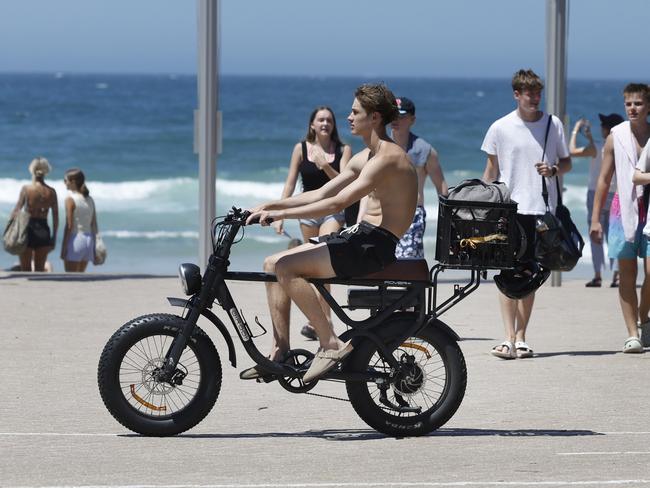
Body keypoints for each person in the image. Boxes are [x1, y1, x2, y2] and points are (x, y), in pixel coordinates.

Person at [243, 83, 417, 383]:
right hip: (359, 237)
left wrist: (280, 215)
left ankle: (330, 342)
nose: (348, 117)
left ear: (374, 117)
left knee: (287, 267)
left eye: (355, 112)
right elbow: (321, 191)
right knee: (272, 264)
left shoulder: (388, 157)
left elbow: (337, 203)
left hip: (374, 246)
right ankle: (280, 351)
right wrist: (269, 204)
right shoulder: (365, 156)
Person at [481, 69, 571, 359]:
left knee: (532, 273)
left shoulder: (552, 124)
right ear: (516, 94)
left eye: (537, 93)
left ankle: (521, 337)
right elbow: (491, 170)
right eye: (528, 93)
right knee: (507, 272)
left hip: (541, 209)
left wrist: (554, 170)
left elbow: (566, 162)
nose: (534, 98)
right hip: (510, 208)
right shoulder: (500, 127)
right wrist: (483, 203)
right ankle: (507, 337)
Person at [272, 106, 353, 341]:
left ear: (334, 125)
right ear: (312, 125)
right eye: (321, 120)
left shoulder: (343, 150)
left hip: (332, 211)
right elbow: (290, 184)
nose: (325, 123)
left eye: (329, 120)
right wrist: (281, 214)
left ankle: (325, 321)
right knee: (311, 269)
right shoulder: (301, 148)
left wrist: (324, 165)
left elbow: (345, 183)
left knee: (322, 256)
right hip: (308, 212)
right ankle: (316, 320)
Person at [595, 83, 650, 353]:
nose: (632, 108)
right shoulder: (615, 136)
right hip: (621, 209)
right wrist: (595, 219)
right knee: (627, 274)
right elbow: (604, 180)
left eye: (638, 103)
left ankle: (644, 317)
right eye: (628, 103)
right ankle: (633, 334)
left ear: (648, 106)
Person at [389, 96, 448, 258]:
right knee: (386, 263)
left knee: (406, 260)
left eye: (401, 116)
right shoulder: (381, 146)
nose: (395, 120)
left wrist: (448, 221)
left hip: (412, 214)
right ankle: (419, 280)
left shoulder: (424, 150)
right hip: (385, 213)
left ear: (412, 120)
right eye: (392, 115)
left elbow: (441, 185)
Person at [569, 113, 624, 288]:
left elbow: (572, 151)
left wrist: (575, 130)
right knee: (615, 234)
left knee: (596, 236)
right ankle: (617, 275)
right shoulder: (623, 146)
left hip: (596, 194)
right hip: (617, 193)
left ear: (606, 129)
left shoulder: (597, 147)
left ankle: (598, 275)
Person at [10, 157, 59, 272]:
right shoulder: (51, 192)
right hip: (44, 231)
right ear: (46, 171)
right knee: (40, 271)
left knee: (25, 270)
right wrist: (53, 238)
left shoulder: (26, 189)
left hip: (28, 230)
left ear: (32, 170)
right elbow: (55, 218)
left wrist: (11, 232)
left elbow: (16, 211)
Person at [61, 168, 99, 272]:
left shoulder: (70, 199)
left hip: (76, 240)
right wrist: (95, 247)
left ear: (73, 182)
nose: (64, 183)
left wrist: (63, 247)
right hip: (89, 240)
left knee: (70, 279)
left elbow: (69, 225)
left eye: (65, 180)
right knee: (80, 279)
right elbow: (94, 224)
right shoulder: (90, 199)